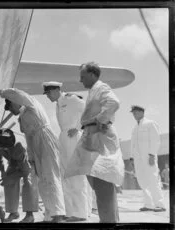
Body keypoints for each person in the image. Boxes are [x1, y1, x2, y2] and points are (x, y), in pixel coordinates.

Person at [64, 62, 124, 223]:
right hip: (91, 136)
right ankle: (109, 220)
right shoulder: (93, 91)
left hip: (99, 136)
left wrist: (100, 119)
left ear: (92, 74)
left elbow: (114, 103)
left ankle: (108, 222)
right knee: (96, 182)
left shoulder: (101, 88)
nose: (80, 80)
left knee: (102, 181)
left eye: (82, 77)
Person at [0, 88, 66, 222]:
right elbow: (28, 137)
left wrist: (1, 92)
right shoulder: (22, 116)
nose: (12, 112)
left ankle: (58, 215)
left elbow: (18, 94)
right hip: (35, 142)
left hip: (45, 138)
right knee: (42, 180)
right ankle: (50, 213)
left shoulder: (31, 104)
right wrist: (32, 158)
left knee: (50, 176)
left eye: (11, 108)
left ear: (15, 103)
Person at [42, 81, 90, 221]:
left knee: (75, 175)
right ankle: (70, 212)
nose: (48, 96)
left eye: (49, 93)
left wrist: (79, 126)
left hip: (73, 137)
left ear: (57, 90)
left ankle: (80, 213)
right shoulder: (59, 103)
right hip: (64, 137)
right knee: (66, 176)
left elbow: (89, 109)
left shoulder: (71, 99)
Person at [0, 128, 39, 223]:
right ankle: (13, 213)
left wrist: (10, 178)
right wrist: (3, 174)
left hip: (29, 163)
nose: (0, 149)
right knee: (8, 181)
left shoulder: (19, 148)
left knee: (29, 182)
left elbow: (26, 171)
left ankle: (30, 215)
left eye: (3, 148)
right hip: (13, 162)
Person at [129, 105, 166, 212]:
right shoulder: (135, 128)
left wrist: (152, 154)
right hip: (137, 159)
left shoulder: (150, 123)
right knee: (142, 180)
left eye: (135, 113)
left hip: (148, 156)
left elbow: (155, 140)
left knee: (153, 179)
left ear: (141, 112)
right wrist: (131, 157)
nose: (134, 115)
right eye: (133, 113)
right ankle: (148, 204)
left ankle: (160, 204)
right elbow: (133, 144)